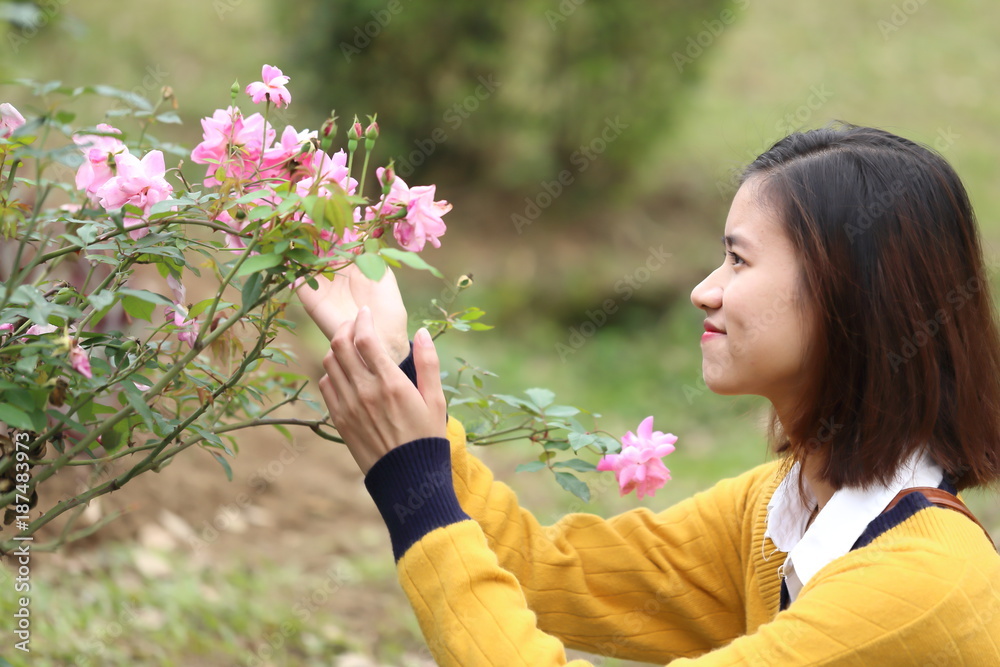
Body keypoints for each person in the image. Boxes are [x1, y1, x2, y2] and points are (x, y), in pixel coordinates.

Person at [298, 124, 1000, 665]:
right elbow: (549, 574)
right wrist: (390, 360)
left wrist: (410, 480)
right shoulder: (783, 508)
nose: (705, 290)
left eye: (738, 259)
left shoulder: (921, 589)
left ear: (847, 291)